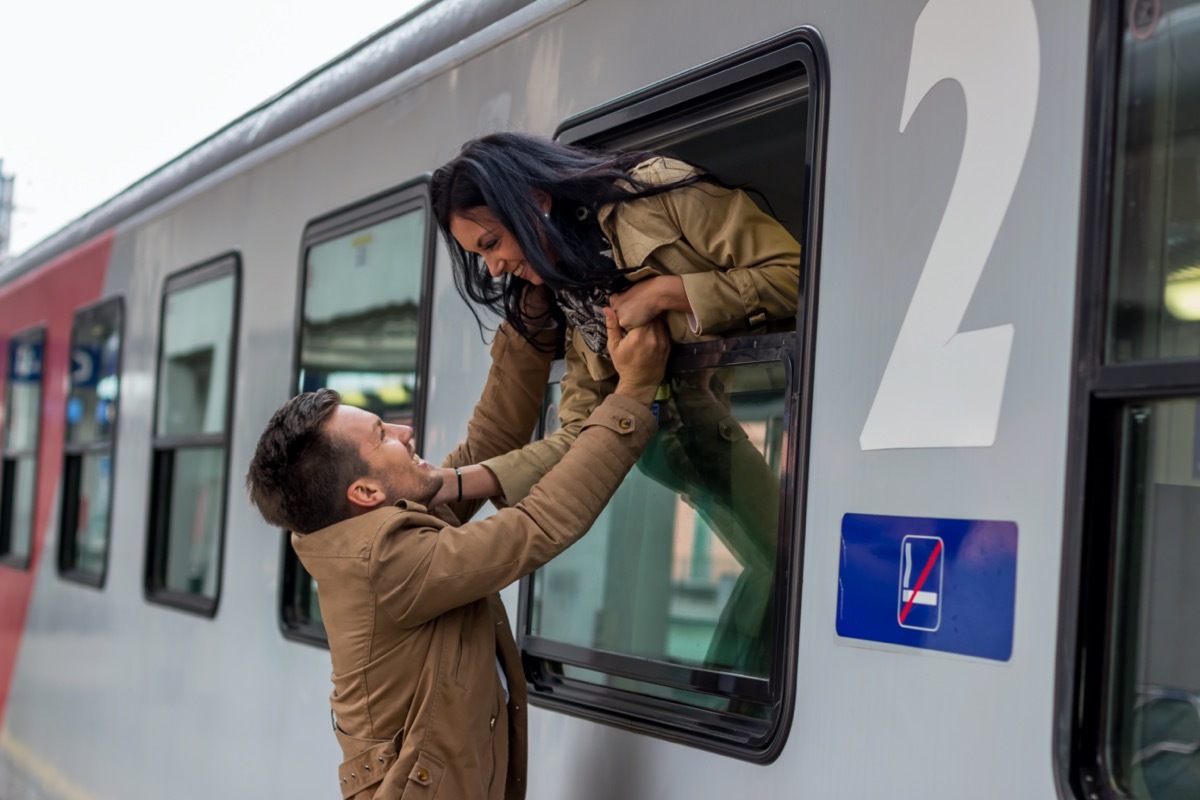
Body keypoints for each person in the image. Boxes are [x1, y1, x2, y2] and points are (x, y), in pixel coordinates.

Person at [245, 307, 669, 800]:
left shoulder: (366, 531)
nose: (405, 432)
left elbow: (479, 452)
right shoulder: (390, 563)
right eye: (383, 435)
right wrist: (633, 395)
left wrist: (528, 329)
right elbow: (535, 526)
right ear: (364, 492)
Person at [429, 132, 799, 675]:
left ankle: (722, 699)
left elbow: (798, 276)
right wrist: (453, 484)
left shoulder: (658, 194)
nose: (493, 269)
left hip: (713, 437)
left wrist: (670, 292)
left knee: (781, 570)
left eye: (489, 244)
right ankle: (721, 696)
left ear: (536, 202)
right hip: (675, 459)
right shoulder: (572, 288)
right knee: (776, 569)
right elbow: (578, 436)